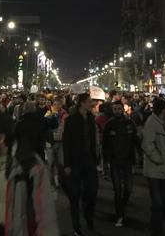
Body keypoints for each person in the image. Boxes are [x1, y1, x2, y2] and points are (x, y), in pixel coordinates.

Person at [63, 93, 99, 236]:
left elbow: (93, 140)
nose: (92, 104)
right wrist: (67, 164)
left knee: (92, 192)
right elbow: (67, 143)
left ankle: (88, 216)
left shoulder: (91, 119)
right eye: (90, 101)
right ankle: (76, 226)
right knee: (74, 195)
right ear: (82, 103)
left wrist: (96, 157)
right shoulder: (71, 120)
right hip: (75, 162)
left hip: (89, 161)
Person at [142, 98, 165, 236]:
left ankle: (156, 224)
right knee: (158, 201)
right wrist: (159, 159)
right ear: (163, 110)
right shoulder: (151, 124)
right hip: (155, 170)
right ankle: (156, 229)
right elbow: (147, 145)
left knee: (163, 199)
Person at [102, 100, 139, 227]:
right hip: (114, 161)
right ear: (112, 110)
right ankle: (120, 215)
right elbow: (104, 145)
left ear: (123, 109)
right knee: (117, 190)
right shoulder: (109, 125)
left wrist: (138, 158)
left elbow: (136, 141)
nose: (117, 111)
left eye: (119, 108)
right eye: (115, 108)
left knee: (128, 189)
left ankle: (122, 207)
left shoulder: (130, 123)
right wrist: (105, 161)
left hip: (128, 160)